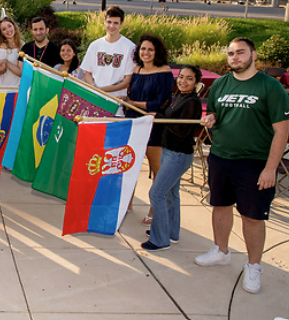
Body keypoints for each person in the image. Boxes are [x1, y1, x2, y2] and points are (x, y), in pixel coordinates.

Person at [195, 37, 289, 294]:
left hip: (255, 162)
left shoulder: (270, 88)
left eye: (240, 53)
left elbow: (282, 131)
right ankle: (221, 250)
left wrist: (271, 168)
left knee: (253, 217)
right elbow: (214, 112)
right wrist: (211, 117)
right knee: (220, 206)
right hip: (221, 156)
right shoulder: (221, 85)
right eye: (231, 53)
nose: (234, 57)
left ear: (253, 55)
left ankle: (254, 265)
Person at [142, 65, 203, 251]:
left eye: (189, 78)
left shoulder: (192, 102)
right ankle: (170, 232)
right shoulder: (179, 97)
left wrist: (160, 118)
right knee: (170, 194)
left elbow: (182, 132)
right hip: (169, 151)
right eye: (181, 77)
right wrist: (158, 115)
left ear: (197, 83)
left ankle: (159, 240)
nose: (183, 81)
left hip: (179, 154)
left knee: (156, 194)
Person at [122, 34, 175, 224]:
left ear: (157, 52)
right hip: (133, 121)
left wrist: (134, 103)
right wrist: (128, 103)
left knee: (156, 168)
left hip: (153, 123)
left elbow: (162, 102)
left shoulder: (164, 71)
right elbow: (130, 94)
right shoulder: (136, 70)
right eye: (143, 49)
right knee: (131, 165)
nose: (146, 53)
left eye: (150, 49)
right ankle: (127, 203)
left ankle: (155, 208)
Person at [80, 6, 137, 105]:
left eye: (116, 23)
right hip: (95, 101)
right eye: (109, 22)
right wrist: (94, 87)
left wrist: (101, 89)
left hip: (116, 103)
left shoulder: (130, 47)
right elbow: (87, 72)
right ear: (104, 21)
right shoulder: (95, 45)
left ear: (121, 24)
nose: (112, 26)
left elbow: (127, 80)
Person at [0, 16, 23, 87]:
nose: (8, 30)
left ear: (14, 27)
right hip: (3, 86)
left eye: (9, 26)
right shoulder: (1, 48)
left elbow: (22, 72)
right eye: (4, 29)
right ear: (1, 33)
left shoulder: (23, 46)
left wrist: (7, 62)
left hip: (18, 87)